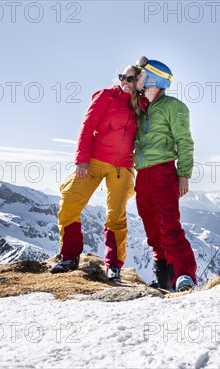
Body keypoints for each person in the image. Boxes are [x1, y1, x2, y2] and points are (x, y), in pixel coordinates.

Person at [50, 65, 142, 282]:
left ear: (139, 81)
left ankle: (114, 266)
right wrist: (82, 160)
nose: (125, 81)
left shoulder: (142, 105)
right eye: (122, 77)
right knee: (69, 201)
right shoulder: (106, 96)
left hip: (122, 167)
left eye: (130, 78)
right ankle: (69, 257)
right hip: (93, 162)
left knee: (116, 215)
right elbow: (87, 125)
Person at [133, 59, 197, 292]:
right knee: (152, 229)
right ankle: (163, 280)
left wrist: (184, 174)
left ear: (153, 78)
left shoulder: (173, 106)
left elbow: (184, 141)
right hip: (142, 176)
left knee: (169, 226)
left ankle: (184, 276)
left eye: (141, 75)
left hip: (163, 171)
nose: (137, 78)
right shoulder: (142, 107)